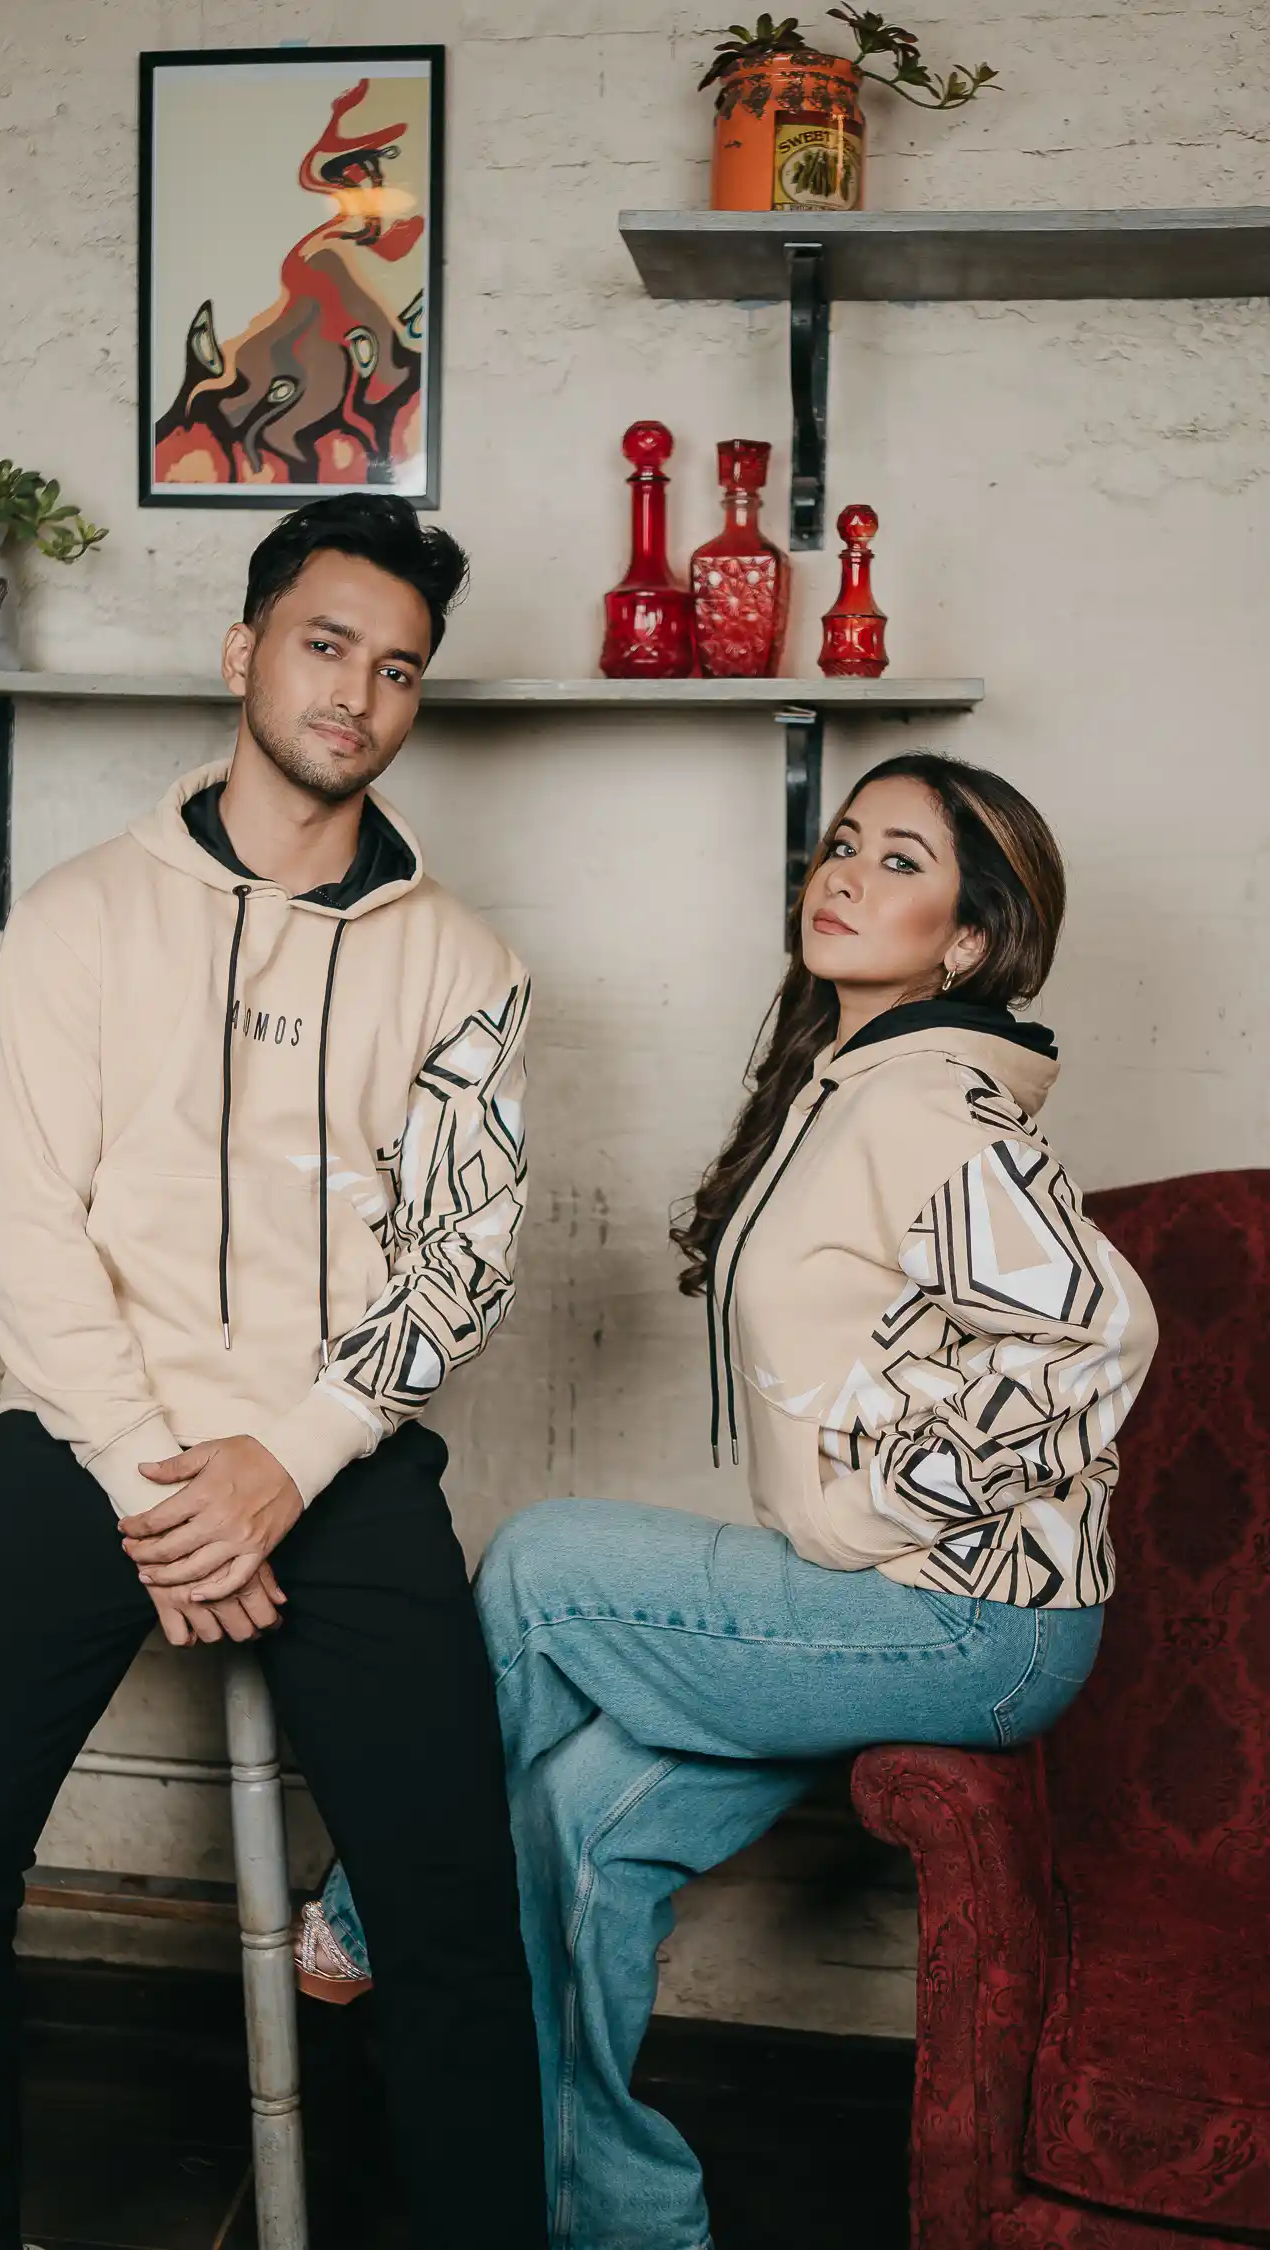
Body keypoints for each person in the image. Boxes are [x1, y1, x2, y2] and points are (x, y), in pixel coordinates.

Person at [300, 752, 1159, 2250]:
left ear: (969, 940)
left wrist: (890, 1495)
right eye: (846, 843)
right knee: (575, 1820)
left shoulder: (932, 1106)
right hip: (910, 1607)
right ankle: (622, 2223)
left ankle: (364, 1911)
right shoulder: (852, 1082)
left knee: (545, 1565)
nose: (848, 874)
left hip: (976, 1622)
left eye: (902, 862)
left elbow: (1098, 1332)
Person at [0, 495, 548, 2250]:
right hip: (93, 1444)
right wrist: (168, 1482)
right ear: (244, 652)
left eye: (400, 669)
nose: (358, 693)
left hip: (335, 1456)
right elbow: (30, 1230)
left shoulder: (467, 964)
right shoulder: (82, 916)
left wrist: (288, 1462)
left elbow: (458, 1261)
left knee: (458, 1919)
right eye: (326, 644)